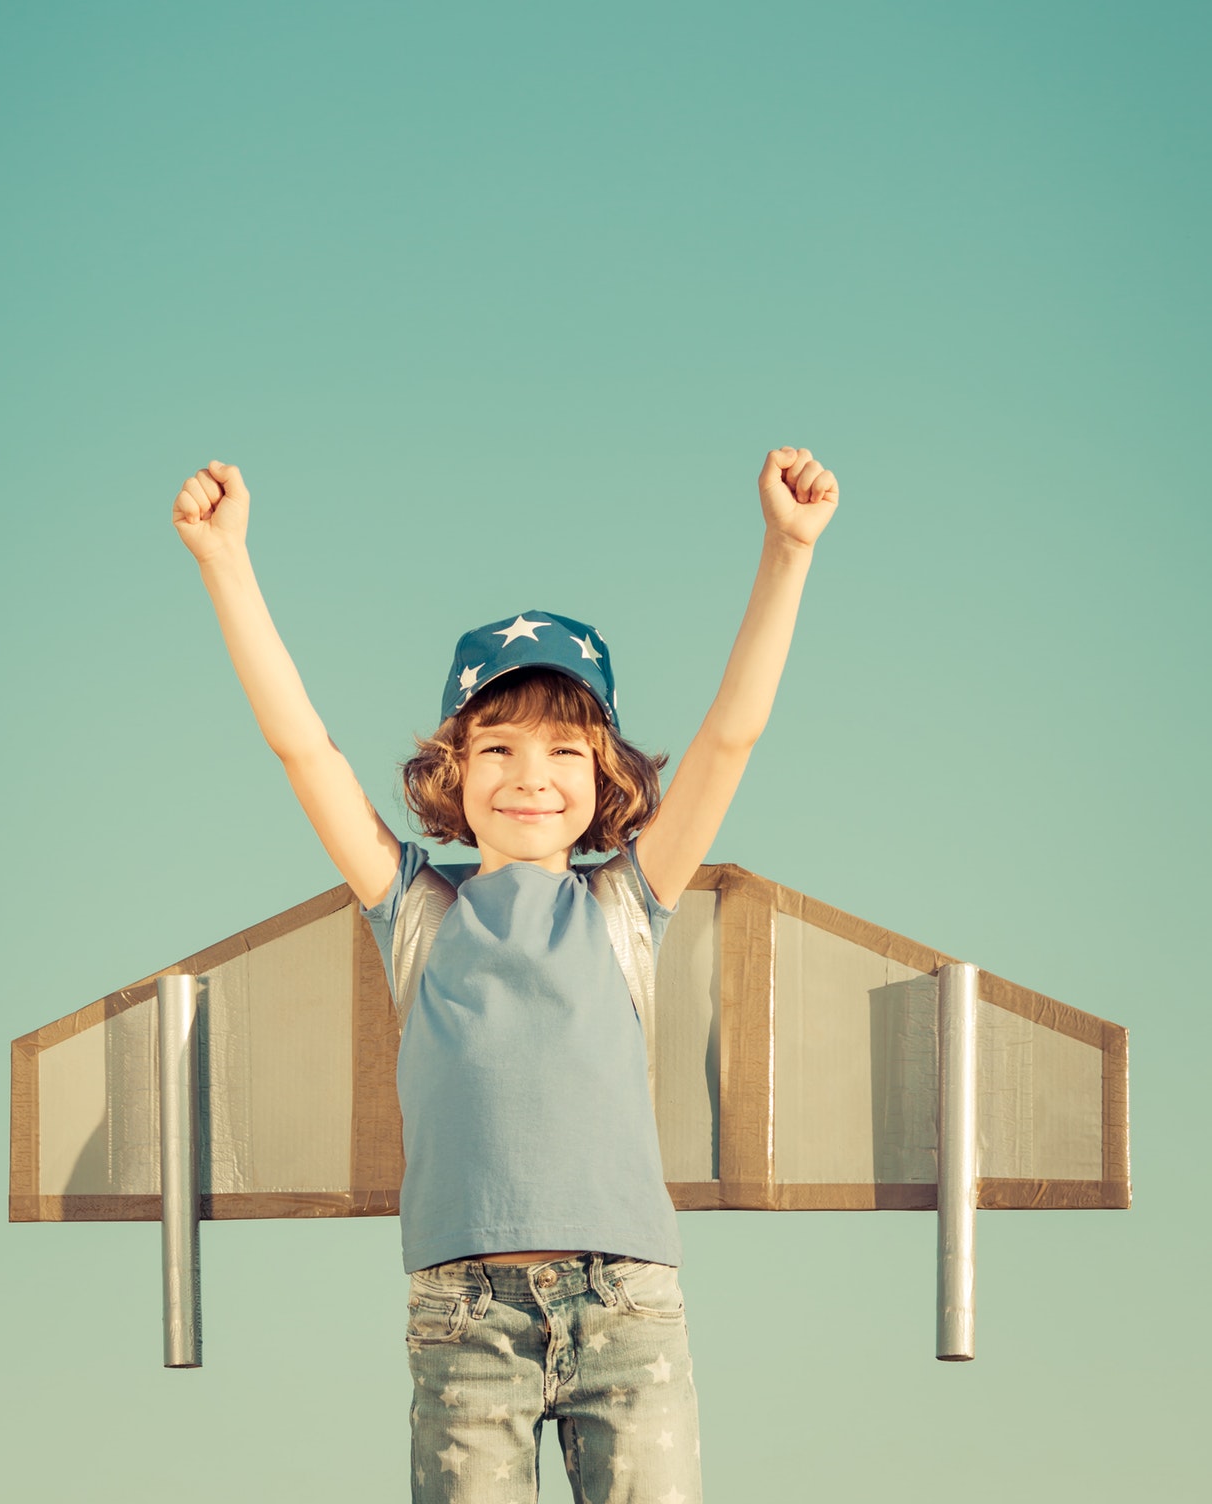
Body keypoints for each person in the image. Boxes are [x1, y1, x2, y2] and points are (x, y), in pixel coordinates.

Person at [172, 444, 839, 1503]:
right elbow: (305, 748)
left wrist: (787, 551)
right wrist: (224, 561)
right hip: (463, 1314)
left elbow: (730, 738)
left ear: (606, 777)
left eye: (565, 752)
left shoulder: (624, 904)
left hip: (625, 1306)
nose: (532, 775)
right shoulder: (419, 915)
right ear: (450, 771)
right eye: (498, 749)